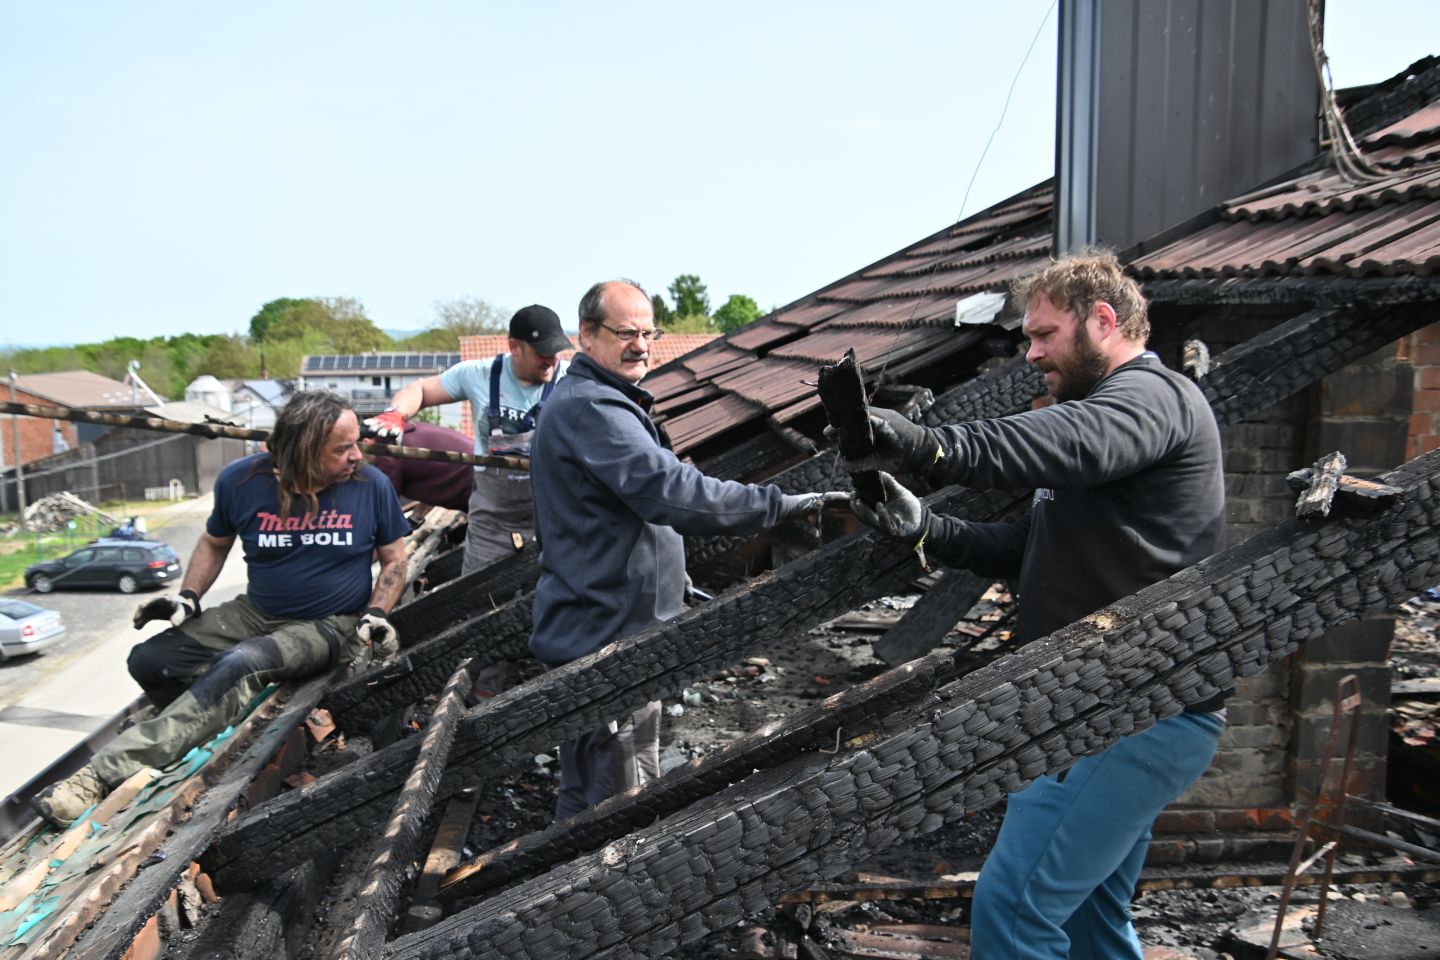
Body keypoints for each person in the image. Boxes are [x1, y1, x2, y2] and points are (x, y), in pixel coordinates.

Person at [842, 250, 1227, 960]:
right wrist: (929, 528)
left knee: (1016, 911)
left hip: (1131, 710)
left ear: (1103, 321)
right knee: (1087, 921)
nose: (1032, 353)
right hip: (1103, 708)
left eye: (1045, 334)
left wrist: (931, 448)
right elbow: (1036, 548)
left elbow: (1068, 441)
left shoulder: (1150, 399)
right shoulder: (1109, 419)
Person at [529, 279, 845, 819]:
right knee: (614, 812)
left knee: (592, 793)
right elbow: (671, 493)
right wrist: (782, 504)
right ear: (586, 334)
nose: (641, 345)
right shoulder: (594, 409)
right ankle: (595, 902)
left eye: (648, 332)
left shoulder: (600, 400)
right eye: (626, 333)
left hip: (609, 630)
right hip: (609, 640)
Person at [32, 391, 411, 829]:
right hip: (257, 611)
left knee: (242, 663)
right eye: (342, 448)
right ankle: (181, 724)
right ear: (301, 452)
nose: (356, 456)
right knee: (151, 660)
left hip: (332, 623)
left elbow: (395, 559)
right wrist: (187, 597)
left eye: (355, 443)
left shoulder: (369, 485)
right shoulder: (241, 481)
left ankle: (100, 775)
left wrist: (377, 612)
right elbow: (215, 541)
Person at [363, 304, 571, 575]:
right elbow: (421, 390)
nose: (550, 360)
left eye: (554, 352)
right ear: (514, 347)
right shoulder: (479, 375)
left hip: (553, 514)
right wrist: (397, 413)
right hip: (493, 516)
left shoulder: (572, 379)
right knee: (478, 591)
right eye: (541, 353)